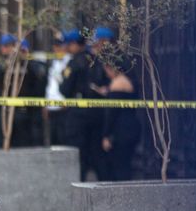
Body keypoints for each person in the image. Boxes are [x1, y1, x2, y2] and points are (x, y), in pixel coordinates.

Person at [0, 34, 45, 148]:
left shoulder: (29, 67)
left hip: (22, 115)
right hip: (4, 114)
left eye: (9, 46)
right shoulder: (0, 67)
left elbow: (39, 89)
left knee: (21, 147)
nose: (6, 49)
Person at [60, 29, 103, 180]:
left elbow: (65, 88)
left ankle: (81, 182)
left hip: (78, 115)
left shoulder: (75, 62)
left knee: (79, 155)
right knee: (97, 153)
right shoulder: (96, 58)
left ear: (74, 44)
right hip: (98, 113)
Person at [100, 63, 141, 181]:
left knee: (119, 167)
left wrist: (106, 135)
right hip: (132, 127)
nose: (107, 74)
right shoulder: (129, 81)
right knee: (126, 165)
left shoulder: (117, 83)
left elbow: (111, 113)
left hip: (120, 131)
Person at [43, 32, 71, 145]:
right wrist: (46, 104)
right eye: (55, 45)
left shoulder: (70, 62)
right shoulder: (53, 62)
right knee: (54, 142)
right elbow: (51, 86)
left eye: (60, 45)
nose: (56, 48)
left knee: (64, 141)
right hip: (52, 108)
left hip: (64, 109)